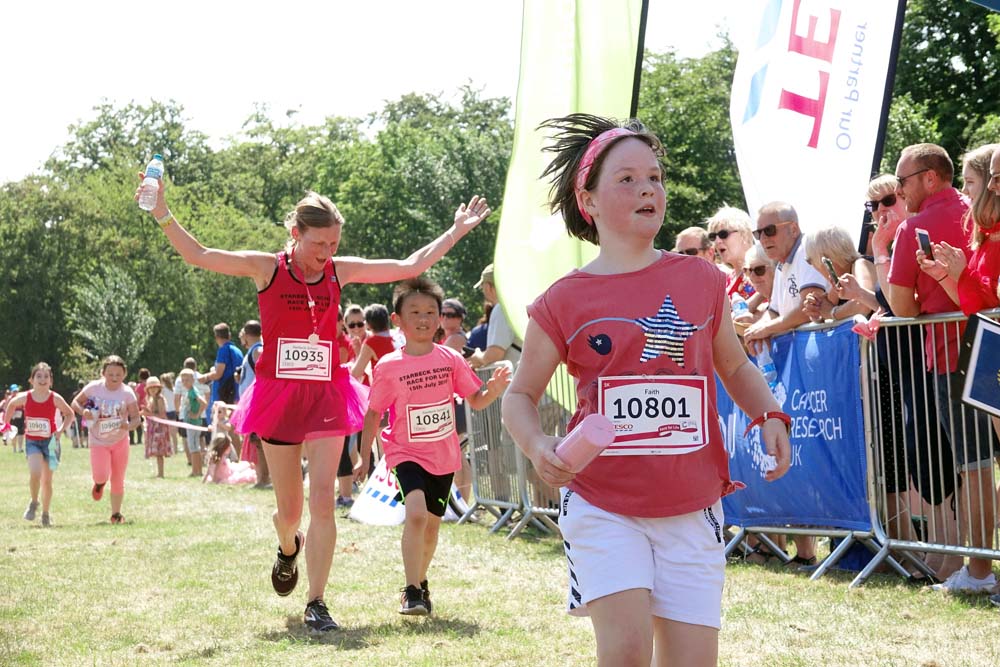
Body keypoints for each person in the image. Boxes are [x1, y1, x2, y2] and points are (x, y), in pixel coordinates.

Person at [139, 171, 490, 634]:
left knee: (323, 499)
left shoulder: (339, 271)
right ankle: (288, 548)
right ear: (295, 233)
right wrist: (162, 211)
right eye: (319, 244)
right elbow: (199, 255)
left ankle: (317, 602)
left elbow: (408, 265)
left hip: (327, 393)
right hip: (279, 397)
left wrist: (457, 229)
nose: (327, 253)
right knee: (289, 511)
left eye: (333, 244)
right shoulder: (266, 268)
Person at [501, 113, 791, 666]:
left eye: (654, 178)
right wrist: (539, 447)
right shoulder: (562, 300)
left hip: (691, 503)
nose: (647, 189)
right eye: (627, 179)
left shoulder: (703, 280)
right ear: (587, 201)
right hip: (602, 503)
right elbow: (519, 397)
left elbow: (733, 365)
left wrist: (770, 416)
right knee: (628, 652)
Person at [879, 143, 997, 594]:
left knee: (975, 468)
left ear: (930, 178)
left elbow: (902, 308)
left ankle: (981, 571)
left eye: (903, 181)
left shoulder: (916, 226)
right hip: (982, 346)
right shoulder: (981, 214)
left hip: (954, 356)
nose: (899, 190)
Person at [355, 276, 511, 616]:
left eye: (430, 311)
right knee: (414, 514)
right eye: (414, 312)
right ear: (398, 320)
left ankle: (420, 582)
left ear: (440, 318)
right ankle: (411, 591)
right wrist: (362, 455)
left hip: (443, 456)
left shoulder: (450, 359)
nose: (423, 318)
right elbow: (373, 413)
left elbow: (476, 399)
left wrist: (495, 390)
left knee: (431, 526)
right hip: (405, 453)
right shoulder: (389, 366)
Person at [743, 202, 829, 352]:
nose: (763, 238)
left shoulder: (806, 251)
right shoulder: (782, 263)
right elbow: (774, 311)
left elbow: (809, 308)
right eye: (758, 233)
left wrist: (767, 328)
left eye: (769, 230)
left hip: (820, 350)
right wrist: (757, 330)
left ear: (793, 229)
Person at [71, 355, 141, 524]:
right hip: (98, 440)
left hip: (120, 441)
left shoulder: (127, 393)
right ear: (103, 373)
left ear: (124, 374)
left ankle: (116, 514)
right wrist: (84, 412)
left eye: (118, 374)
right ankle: (99, 484)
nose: (114, 378)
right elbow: (75, 403)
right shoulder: (94, 388)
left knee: (118, 478)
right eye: (110, 374)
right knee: (101, 474)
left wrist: (128, 426)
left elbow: (136, 418)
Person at [4, 362, 73, 527]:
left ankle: (46, 514)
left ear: (51, 381)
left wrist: (61, 430)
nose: (42, 379)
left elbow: (69, 414)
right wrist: (6, 424)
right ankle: (34, 502)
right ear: (31, 380)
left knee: (47, 481)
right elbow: (11, 405)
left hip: (50, 443)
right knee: (35, 473)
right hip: (33, 441)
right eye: (39, 376)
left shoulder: (55, 398)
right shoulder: (25, 397)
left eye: (46, 376)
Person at [801, 226, 876, 322]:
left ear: (824, 258)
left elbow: (864, 306)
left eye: (810, 261)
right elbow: (825, 314)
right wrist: (815, 310)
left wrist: (833, 313)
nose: (813, 266)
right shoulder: (839, 281)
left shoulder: (860, 264)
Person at [468, 264, 522, 369]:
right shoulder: (517, 305)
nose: (483, 291)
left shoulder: (501, 308)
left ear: (488, 287)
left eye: (482, 287)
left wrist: (478, 356)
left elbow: (494, 355)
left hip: (515, 378)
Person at [235, 320, 268, 487]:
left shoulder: (257, 350)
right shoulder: (252, 351)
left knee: (259, 441)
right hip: (252, 401)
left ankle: (264, 479)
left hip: (257, 401)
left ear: (247, 335)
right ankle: (261, 477)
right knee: (255, 441)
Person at [198, 323, 245, 412]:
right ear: (229, 335)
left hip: (224, 395)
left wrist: (205, 377)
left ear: (216, 337)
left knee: (220, 422)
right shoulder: (237, 350)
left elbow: (218, 374)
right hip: (236, 393)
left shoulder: (223, 350)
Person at [178, 368, 207, 477]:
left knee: (193, 447)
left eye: (187, 380)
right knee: (195, 447)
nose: (185, 382)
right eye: (183, 380)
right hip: (191, 423)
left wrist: (197, 414)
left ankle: (196, 471)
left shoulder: (193, 391)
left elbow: (203, 402)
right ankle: (198, 470)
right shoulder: (190, 391)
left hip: (193, 423)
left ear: (193, 380)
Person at [142, 375, 172, 478]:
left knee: (159, 452)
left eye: (155, 387)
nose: (153, 390)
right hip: (153, 427)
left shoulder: (159, 399)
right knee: (156, 452)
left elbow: (162, 415)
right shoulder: (150, 399)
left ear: (159, 388)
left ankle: (161, 473)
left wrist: (149, 414)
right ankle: (159, 473)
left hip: (159, 428)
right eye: (151, 388)